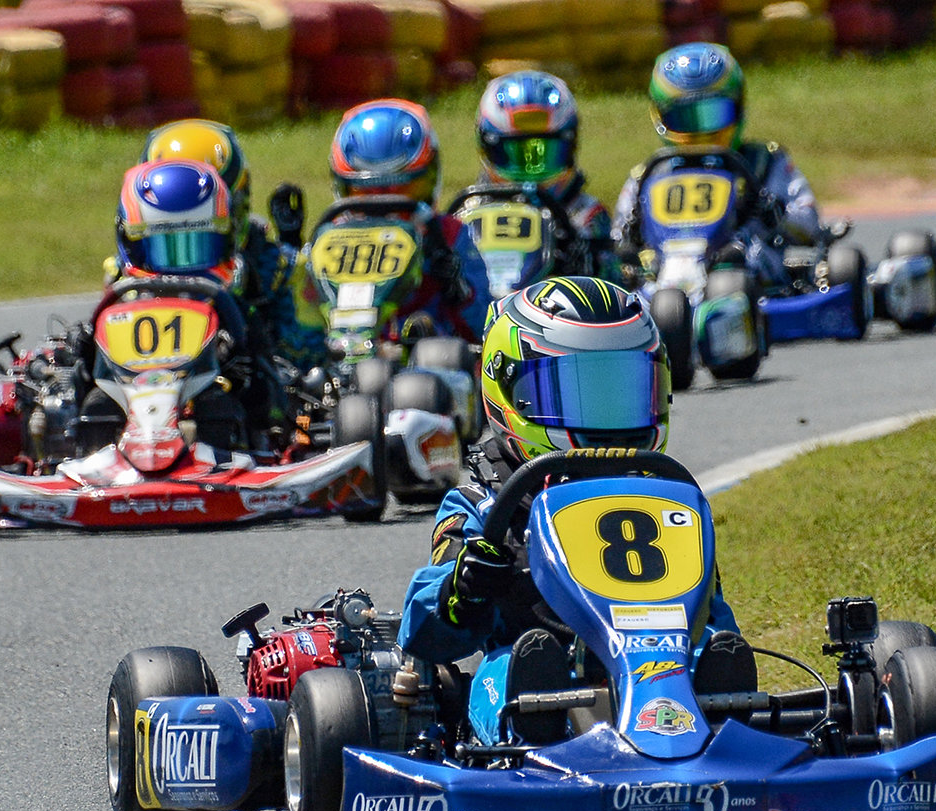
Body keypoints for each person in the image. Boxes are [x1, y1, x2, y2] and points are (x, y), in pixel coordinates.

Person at [397, 276, 755, 746]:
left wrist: (716, 642)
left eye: (623, 392)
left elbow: (712, 611)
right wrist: (462, 589)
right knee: (506, 670)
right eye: (581, 394)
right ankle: (533, 733)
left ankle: (724, 715)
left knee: (709, 649)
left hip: (657, 661)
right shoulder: (482, 502)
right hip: (540, 665)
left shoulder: (666, 497)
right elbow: (420, 630)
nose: (605, 418)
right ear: (509, 391)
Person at [610, 42, 821, 288]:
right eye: (684, 117)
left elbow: (807, 222)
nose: (700, 130)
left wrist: (773, 212)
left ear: (737, 108)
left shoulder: (764, 163)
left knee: (748, 258)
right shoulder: (649, 174)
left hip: (749, 268)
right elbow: (618, 237)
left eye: (713, 114)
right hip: (662, 276)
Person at [82, 158, 257, 450]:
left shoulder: (235, 315)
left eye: (196, 246)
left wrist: (239, 363)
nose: (179, 273)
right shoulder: (115, 313)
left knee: (235, 396)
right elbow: (84, 376)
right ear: (131, 244)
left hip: (221, 440)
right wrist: (82, 356)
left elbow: (270, 395)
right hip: (114, 437)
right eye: (165, 249)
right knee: (93, 401)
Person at [138, 118, 305, 418]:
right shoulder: (129, 274)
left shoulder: (273, 263)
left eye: (197, 224)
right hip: (146, 390)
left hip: (241, 396)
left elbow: (301, 356)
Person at [294, 99, 491, 348]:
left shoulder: (449, 236)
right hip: (340, 357)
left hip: (428, 358)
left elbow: (484, 329)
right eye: (365, 193)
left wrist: (458, 290)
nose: (384, 208)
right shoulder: (327, 241)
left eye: (402, 190)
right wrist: (292, 249)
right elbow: (295, 326)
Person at [468, 69, 618, 281]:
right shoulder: (467, 213)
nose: (532, 173)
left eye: (544, 153)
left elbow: (616, 284)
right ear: (487, 147)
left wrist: (583, 258)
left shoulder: (587, 215)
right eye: (518, 154)